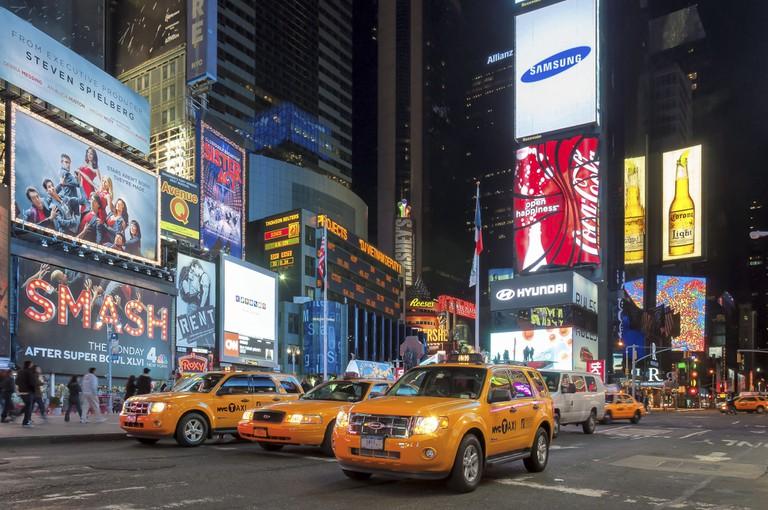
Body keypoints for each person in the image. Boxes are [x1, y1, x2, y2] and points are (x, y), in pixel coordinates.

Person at [16, 361, 36, 427]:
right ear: (29, 365)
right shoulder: (29, 372)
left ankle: (18, 414)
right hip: (28, 391)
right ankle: (26, 422)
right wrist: (33, 390)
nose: (32, 365)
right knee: (28, 407)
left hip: (21, 391)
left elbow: (16, 381)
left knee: (27, 406)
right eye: (32, 364)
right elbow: (32, 383)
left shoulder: (20, 372)